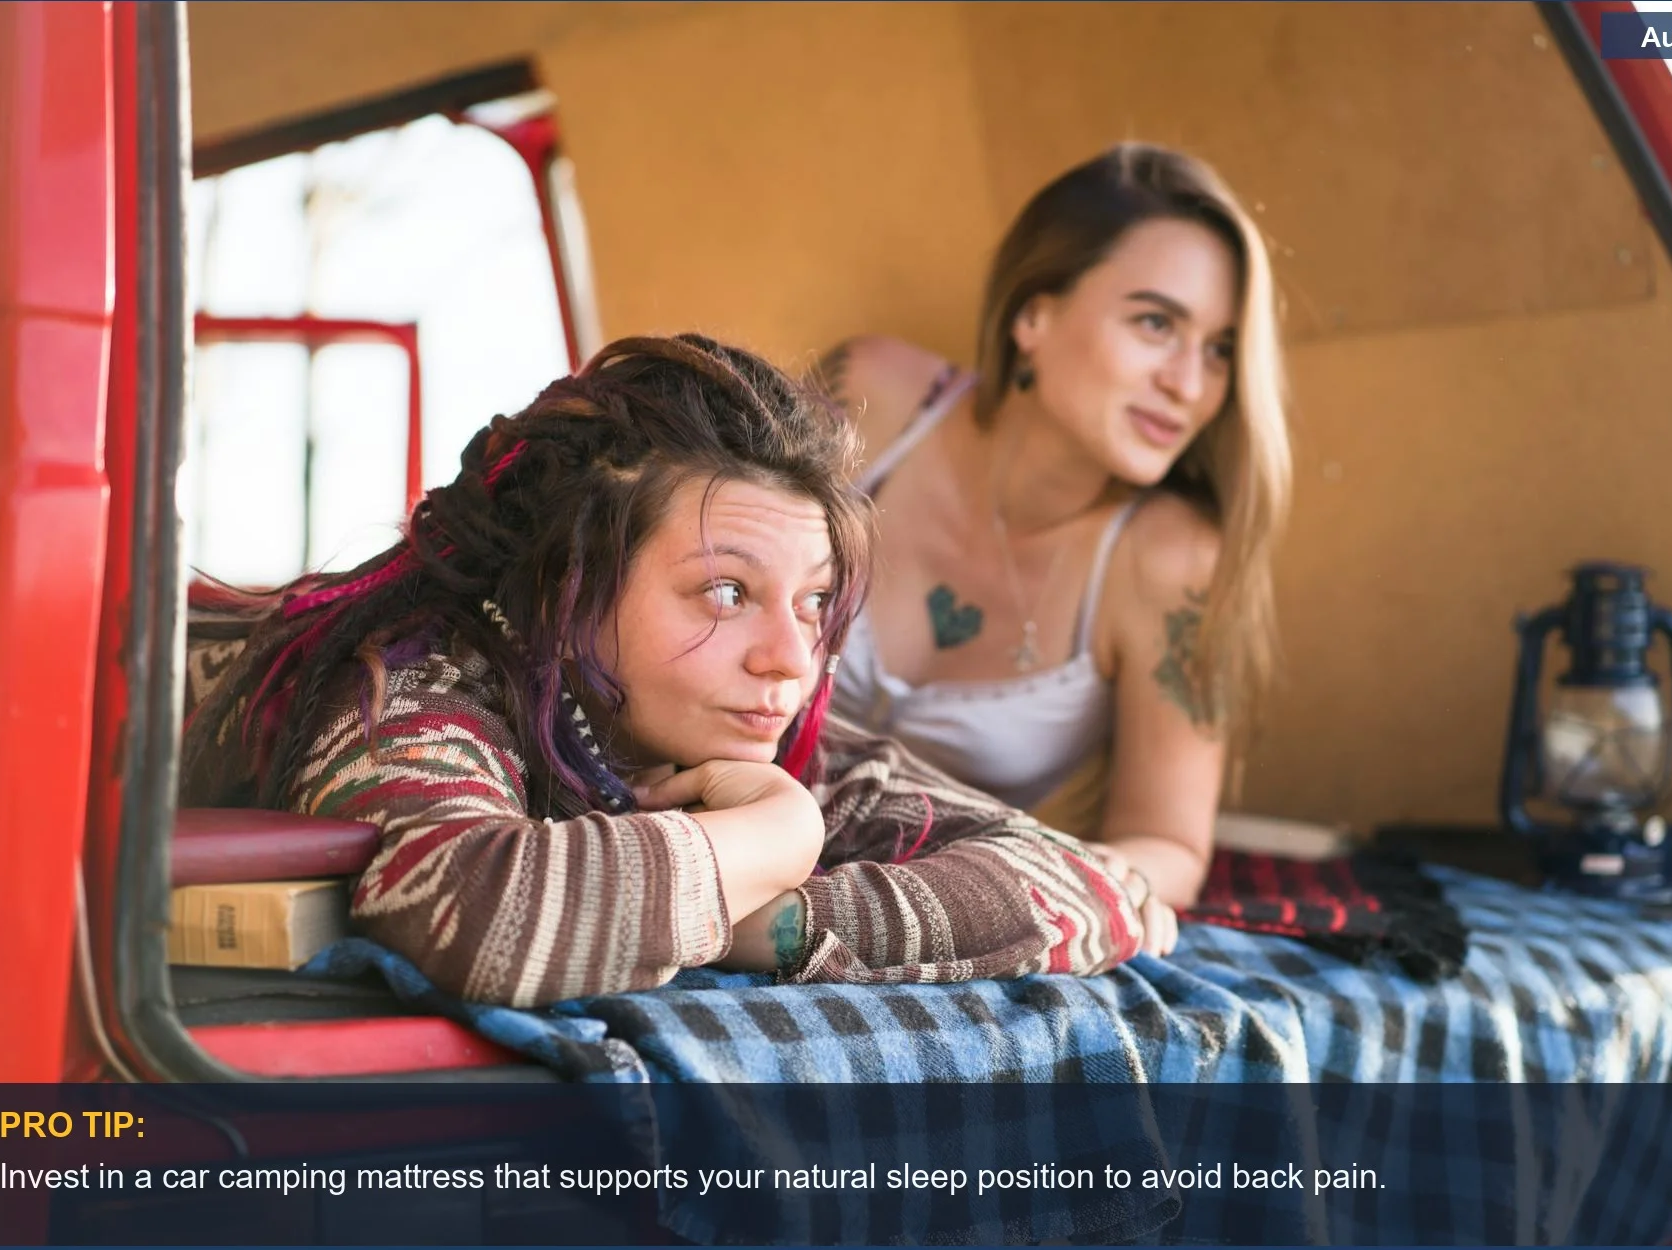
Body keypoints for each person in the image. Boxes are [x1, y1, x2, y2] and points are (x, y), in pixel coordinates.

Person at [180, 334, 1176, 1009]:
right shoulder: (413, 678)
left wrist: (779, 921)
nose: (788, 658)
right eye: (726, 593)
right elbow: (476, 914)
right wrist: (772, 834)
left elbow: (1105, 890)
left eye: (813, 601)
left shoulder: (755, 729)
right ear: (568, 591)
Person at [810, 143, 1292, 909]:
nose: (1189, 385)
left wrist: (998, 898)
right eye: (1155, 323)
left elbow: (1166, 846)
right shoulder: (872, 397)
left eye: (1220, 351)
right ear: (1034, 314)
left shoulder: (1170, 561)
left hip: (918, 923)